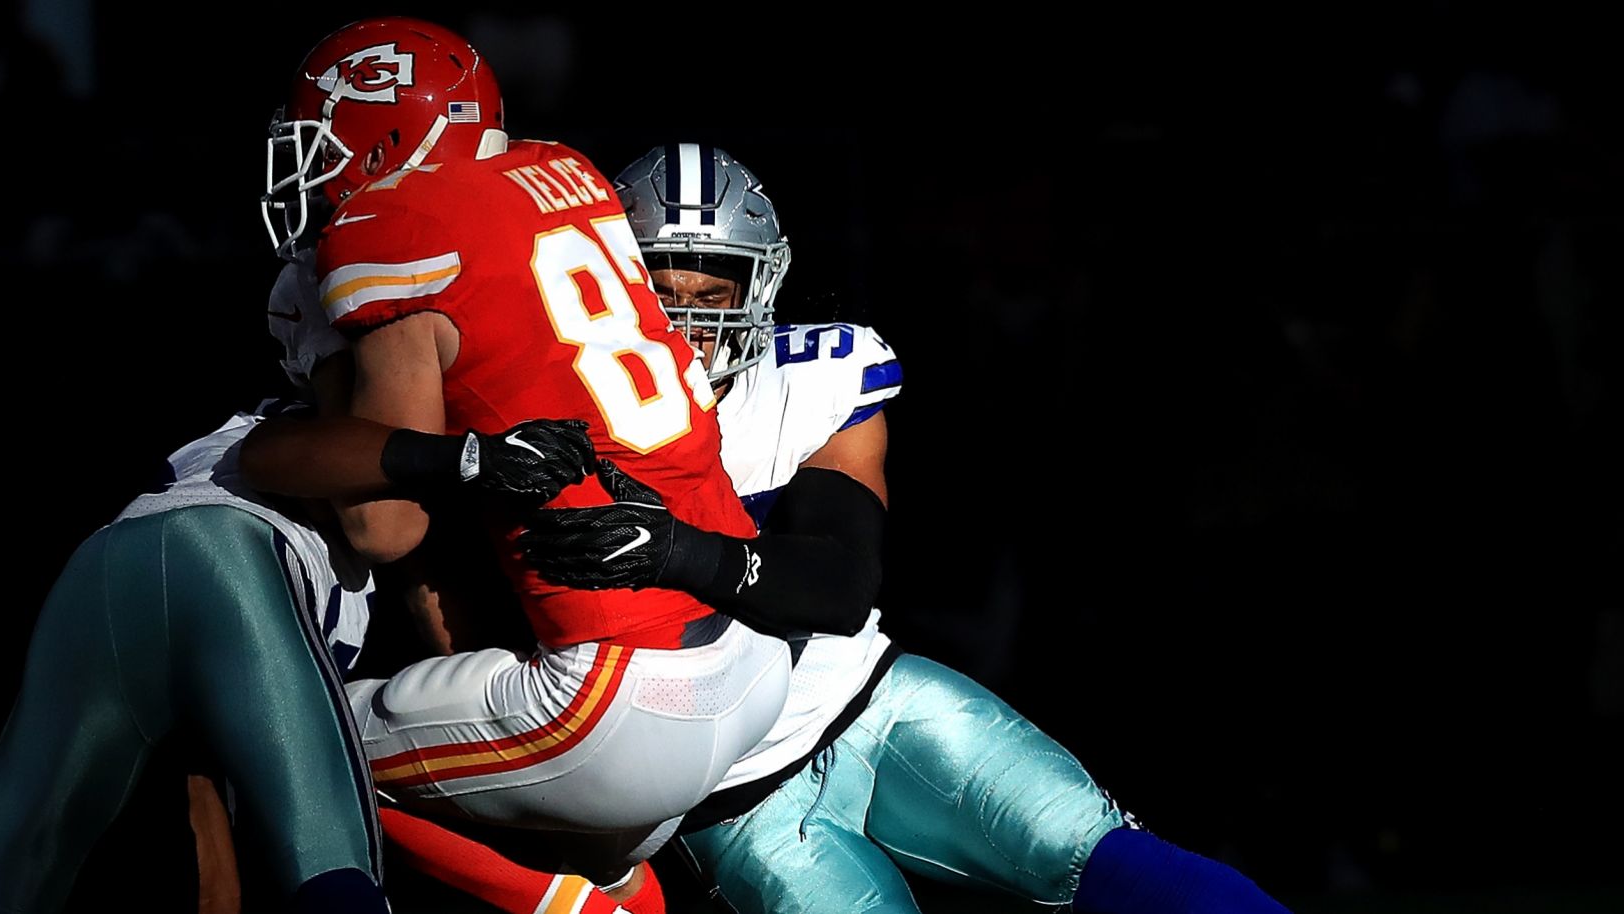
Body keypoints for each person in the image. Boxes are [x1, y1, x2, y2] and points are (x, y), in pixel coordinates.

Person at [509, 144, 1297, 914]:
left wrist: (675, 551)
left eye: (713, 294)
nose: (686, 319)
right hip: (732, 793)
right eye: (662, 288)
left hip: (878, 702)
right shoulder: (539, 423)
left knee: (1111, 861)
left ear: (762, 285)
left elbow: (839, 583)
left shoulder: (809, 379)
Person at [243, 16, 802, 891]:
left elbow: (382, 525)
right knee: (587, 847)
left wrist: (330, 388)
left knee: (277, 740)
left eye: (321, 143)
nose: (311, 170)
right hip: (748, 644)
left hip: (621, 691)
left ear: (390, 136)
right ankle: (602, 893)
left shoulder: (393, 222)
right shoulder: (564, 168)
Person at [0, 396, 394, 914]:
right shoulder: (332, 429)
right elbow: (279, 455)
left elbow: (208, 808)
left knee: (8, 874)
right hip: (229, 556)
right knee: (331, 859)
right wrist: (462, 457)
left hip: (99, 572)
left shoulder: (227, 439)